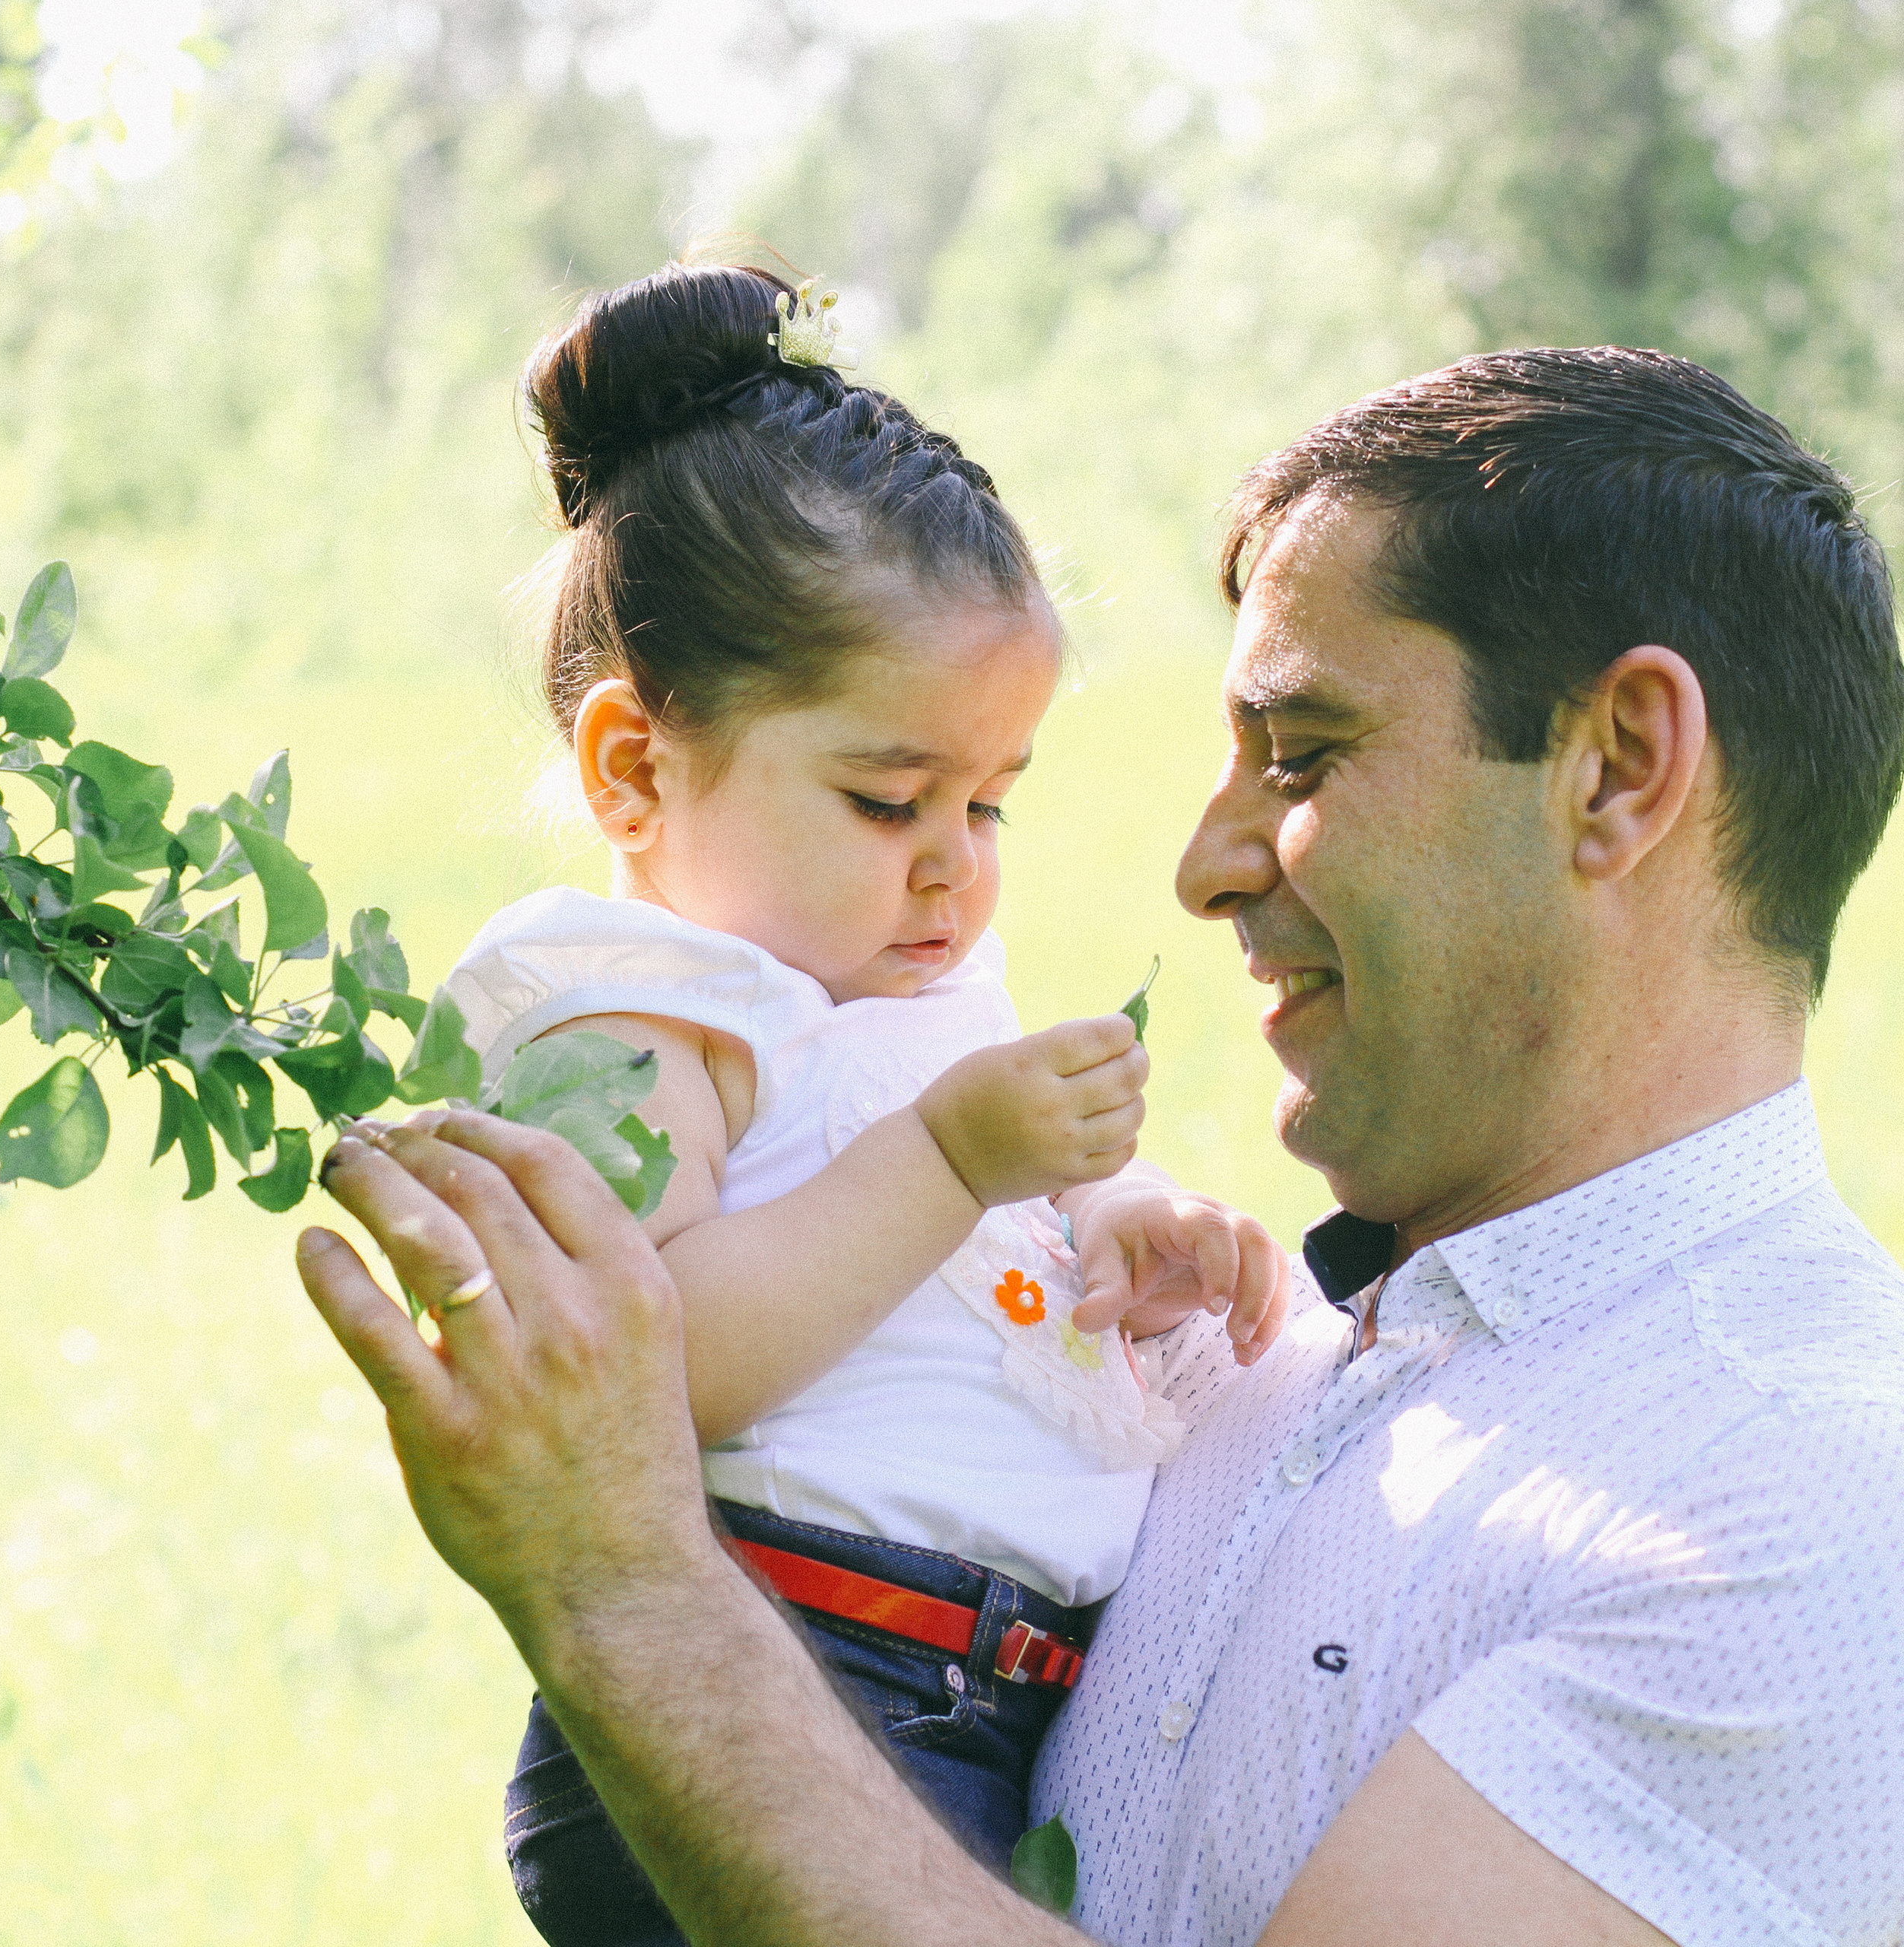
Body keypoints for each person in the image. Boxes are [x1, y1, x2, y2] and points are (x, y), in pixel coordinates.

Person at [300, 345, 1904, 1945]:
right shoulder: (1247, 1359)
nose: (1201, 866)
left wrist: (629, 1591)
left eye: (1304, 751)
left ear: (1616, 767)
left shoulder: (1804, 1510)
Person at [427, 259, 1288, 1944]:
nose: (952, 867)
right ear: (632, 768)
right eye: (890, 796)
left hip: (983, 1700)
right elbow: (657, 1354)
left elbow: (971, 1245)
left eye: (988, 804)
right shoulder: (622, 999)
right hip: (785, 1681)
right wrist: (957, 1151)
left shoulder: (910, 979)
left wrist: (1112, 1219)